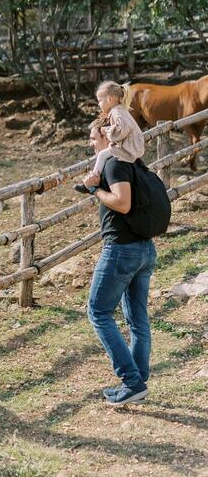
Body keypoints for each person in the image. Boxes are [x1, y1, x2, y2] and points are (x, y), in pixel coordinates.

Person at [85, 118, 157, 406]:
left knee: (98, 312)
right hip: (144, 249)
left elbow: (122, 203)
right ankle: (137, 381)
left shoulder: (115, 164)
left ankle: (131, 380)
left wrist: (95, 191)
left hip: (122, 251)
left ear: (106, 136)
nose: (91, 143)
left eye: (93, 138)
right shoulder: (133, 162)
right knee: (137, 318)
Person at [75, 81, 145, 194]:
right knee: (104, 154)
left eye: (100, 101)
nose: (98, 104)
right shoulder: (119, 110)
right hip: (132, 145)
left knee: (102, 155)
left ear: (110, 99)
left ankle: (93, 180)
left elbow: (122, 130)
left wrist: (106, 130)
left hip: (129, 147)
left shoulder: (116, 112)